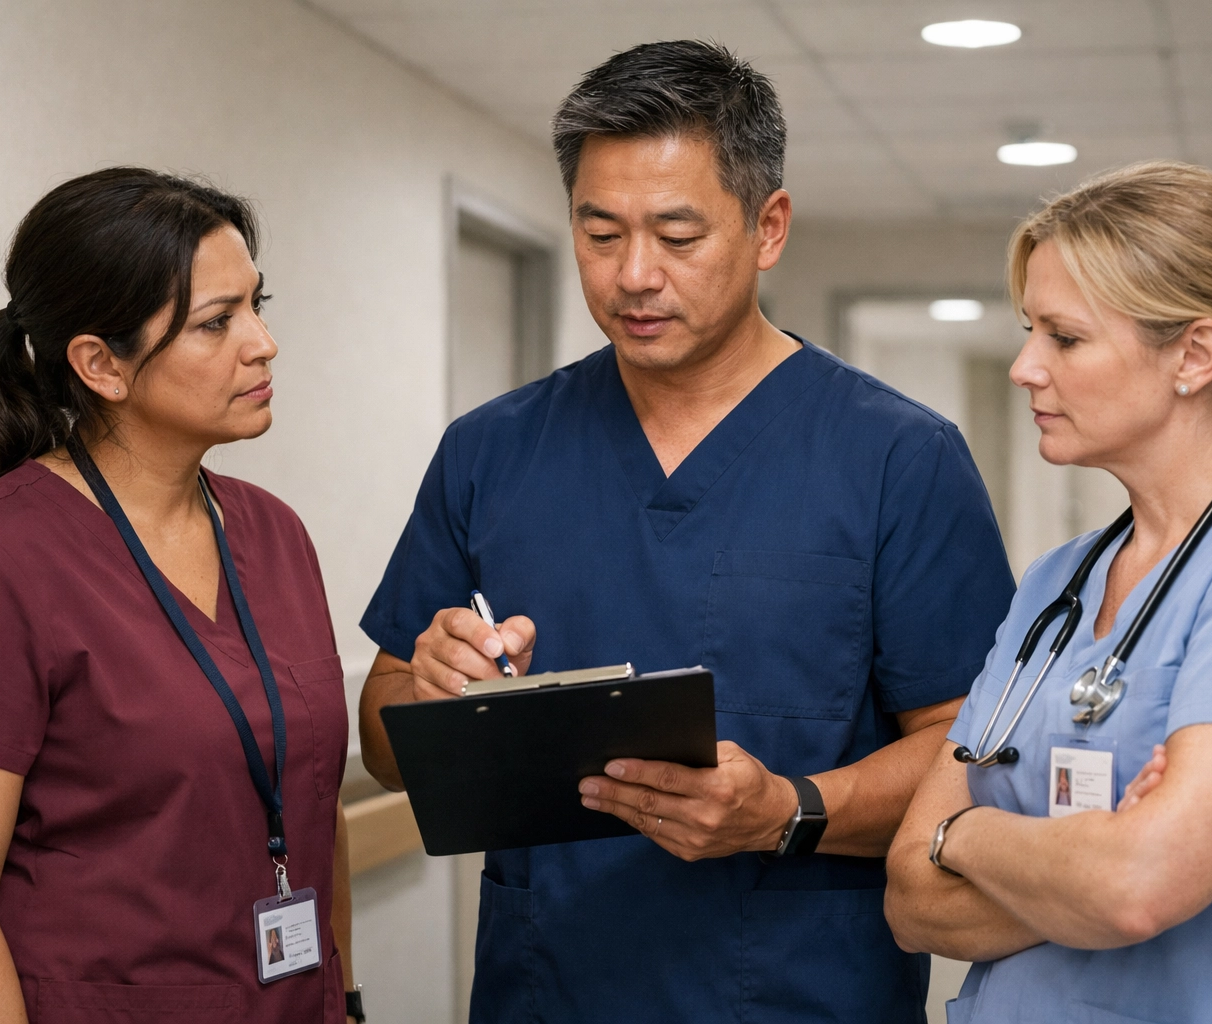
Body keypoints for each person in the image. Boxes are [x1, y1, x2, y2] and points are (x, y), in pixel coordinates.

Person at [357, 40, 1014, 1023]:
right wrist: (434, 692)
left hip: (801, 990)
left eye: (677, 234)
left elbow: (973, 751)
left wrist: (788, 808)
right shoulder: (490, 451)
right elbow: (382, 737)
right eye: (600, 232)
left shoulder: (895, 457)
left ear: (769, 226)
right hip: (548, 988)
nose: (633, 276)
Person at [884, 161, 1212, 1024]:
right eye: (1029, 331)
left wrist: (965, 837)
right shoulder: (1061, 581)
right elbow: (910, 901)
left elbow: (1135, 889)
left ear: (1195, 355)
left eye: (1065, 337)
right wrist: (1080, 858)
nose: (1024, 367)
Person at [0, 168, 362, 1024]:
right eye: (216, 323)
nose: (263, 343)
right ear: (100, 365)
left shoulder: (274, 535)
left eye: (257, 306)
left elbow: (315, 803)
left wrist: (345, 998)